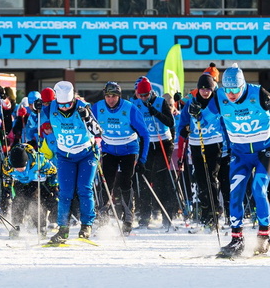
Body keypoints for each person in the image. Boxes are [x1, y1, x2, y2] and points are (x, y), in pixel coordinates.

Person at [212, 64, 270, 257]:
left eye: (235, 89)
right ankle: (236, 239)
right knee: (235, 193)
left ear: (243, 85)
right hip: (240, 153)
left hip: (264, 151)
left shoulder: (258, 93)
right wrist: (194, 108)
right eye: (228, 90)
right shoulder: (220, 96)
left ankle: (264, 236)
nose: (231, 94)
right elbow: (203, 113)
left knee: (259, 188)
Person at [41, 80, 103, 245]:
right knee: (65, 193)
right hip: (65, 156)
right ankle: (63, 229)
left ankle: (86, 226)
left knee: (84, 189)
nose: (64, 108)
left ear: (73, 100)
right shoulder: (51, 107)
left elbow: (98, 131)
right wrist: (35, 106)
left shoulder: (83, 107)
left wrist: (87, 117)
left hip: (86, 154)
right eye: (61, 105)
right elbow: (35, 112)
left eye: (68, 104)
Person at [93, 81, 149, 235]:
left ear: (119, 96)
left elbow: (144, 134)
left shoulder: (130, 108)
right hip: (109, 149)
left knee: (125, 182)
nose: (111, 99)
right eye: (108, 96)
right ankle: (102, 218)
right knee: (107, 183)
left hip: (128, 149)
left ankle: (128, 219)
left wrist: (142, 159)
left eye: (114, 96)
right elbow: (88, 129)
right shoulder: (97, 108)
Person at [178, 74, 228, 230]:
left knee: (211, 177)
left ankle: (214, 213)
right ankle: (205, 213)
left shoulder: (217, 102)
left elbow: (226, 121)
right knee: (200, 180)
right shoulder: (191, 103)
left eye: (208, 89)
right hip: (197, 144)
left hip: (214, 143)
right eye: (202, 89)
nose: (205, 92)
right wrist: (185, 130)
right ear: (198, 89)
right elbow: (182, 125)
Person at [132, 77, 178, 229]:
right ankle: (144, 219)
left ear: (151, 92)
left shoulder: (160, 102)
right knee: (145, 180)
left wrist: (156, 113)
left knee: (160, 180)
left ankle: (167, 218)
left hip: (163, 143)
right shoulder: (136, 104)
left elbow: (170, 122)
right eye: (141, 95)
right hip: (146, 143)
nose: (144, 98)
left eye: (146, 95)